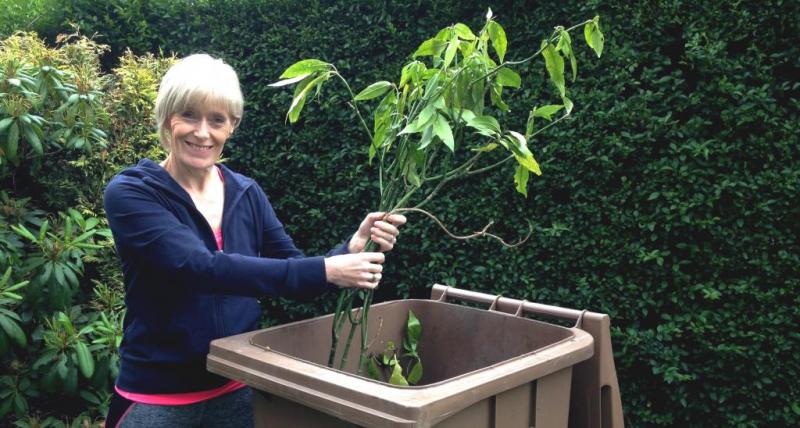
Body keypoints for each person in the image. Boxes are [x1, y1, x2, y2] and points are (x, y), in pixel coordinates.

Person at [102, 53, 406, 427]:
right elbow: (198, 267)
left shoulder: (246, 193)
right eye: (189, 115)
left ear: (232, 125)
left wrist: (350, 248)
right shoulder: (132, 192)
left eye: (217, 120)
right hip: (157, 399)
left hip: (238, 390)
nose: (202, 132)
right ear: (168, 119)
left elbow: (294, 274)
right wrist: (329, 269)